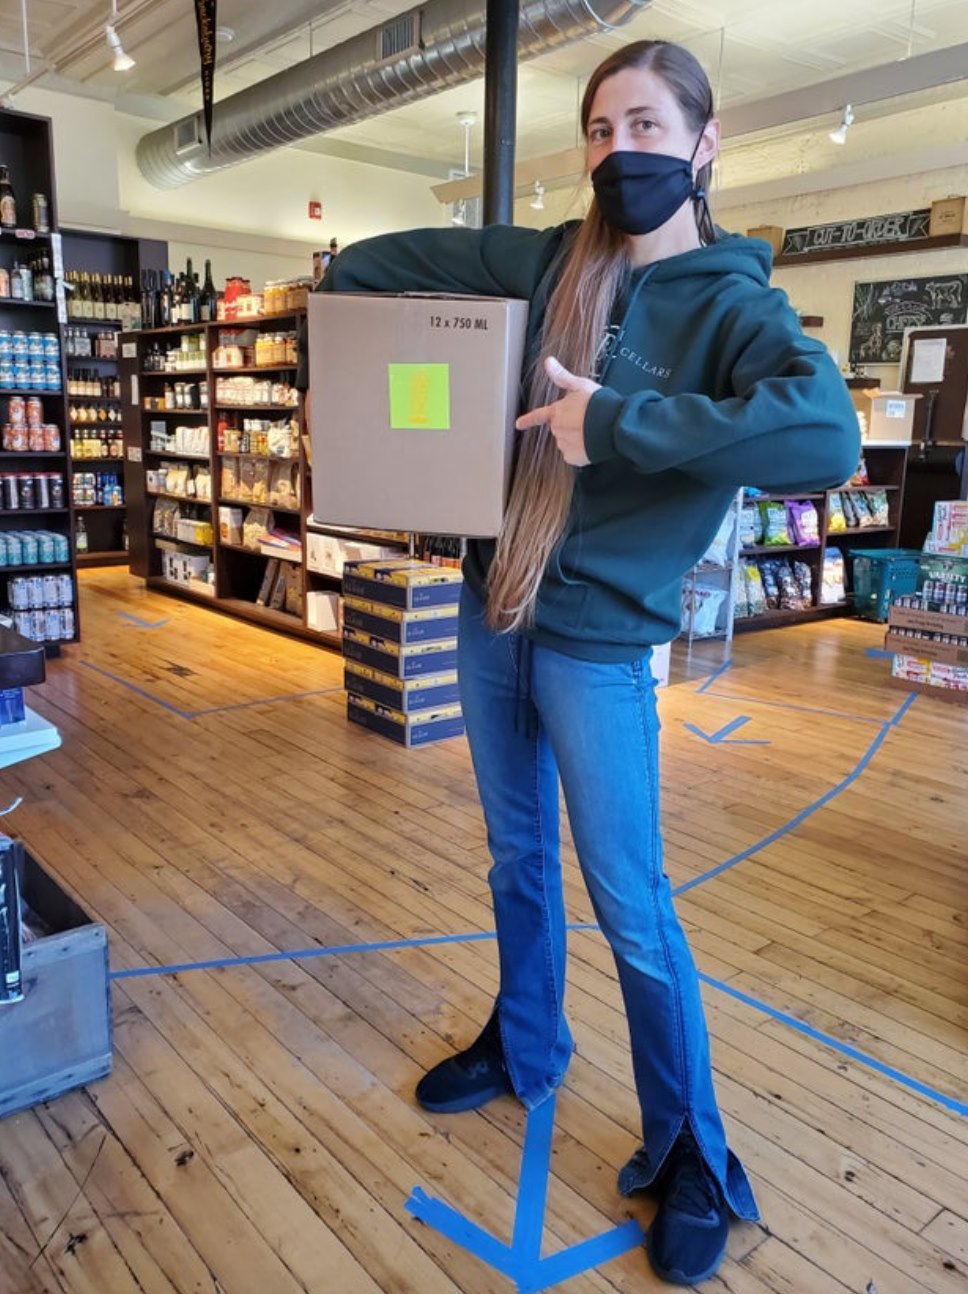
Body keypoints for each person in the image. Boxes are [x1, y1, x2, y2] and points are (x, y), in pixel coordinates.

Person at [312, 39, 859, 1286]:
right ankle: (524, 1044)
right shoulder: (550, 260)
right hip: (490, 607)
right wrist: (369, 348)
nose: (621, 152)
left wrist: (610, 423)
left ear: (703, 144)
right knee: (516, 856)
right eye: (601, 131)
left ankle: (690, 1150)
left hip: (600, 644)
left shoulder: (734, 310)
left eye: (646, 126)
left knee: (630, 902)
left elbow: (823, 438)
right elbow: (372, 266)